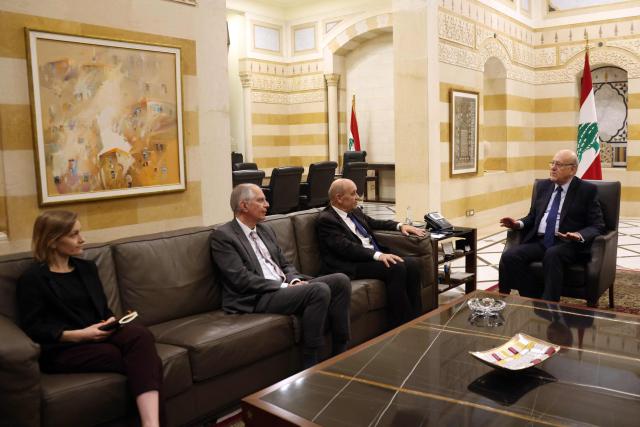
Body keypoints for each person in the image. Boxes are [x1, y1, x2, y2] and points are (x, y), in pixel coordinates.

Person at [17, 211, 163, 427]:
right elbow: (34, 328)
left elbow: (102, 309)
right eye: (74, 234)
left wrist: (111, 321)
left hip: (100, 334)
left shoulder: (87, 268)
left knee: (140, 335)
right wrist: (78, 335)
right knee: (145, 362)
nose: (82, 239)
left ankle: (151, 425)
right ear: (53, 240)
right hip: (63, 347)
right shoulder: (32, 279)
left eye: (80, 232)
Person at [210, 184, 351, 368]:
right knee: (318, 290)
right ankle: (310, 360)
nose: (267, 204)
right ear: (244, 206)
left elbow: (284, 264)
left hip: (283, 287)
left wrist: (294, 280)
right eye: (261, 200)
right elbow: (241, 279)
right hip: (257, 296)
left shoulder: (265, 230)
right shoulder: (223, 237)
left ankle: (342, 350)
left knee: (340, 280)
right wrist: (284, 287)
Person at [316, 178, 426, 327]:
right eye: (354, 193)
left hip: (368, 258)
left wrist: (400, 226)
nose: (358, 197)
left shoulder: (354, 211)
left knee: (412, 264)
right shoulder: (326, 220)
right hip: (350, 264)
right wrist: (378, 255)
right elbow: (345, 247)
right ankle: (400, 324)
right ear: (339, 198)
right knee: (396, 267)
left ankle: (417, 319)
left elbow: (374, 223)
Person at [499, 149, 605, 301]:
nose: (553, 168)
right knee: (510, 256)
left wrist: (579, 235)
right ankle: (535, 299)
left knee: (553, 254)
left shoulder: (587, 190)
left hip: (568, 244)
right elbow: (533, 216)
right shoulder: (543, 186)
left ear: (572, 169)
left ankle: (551, 305)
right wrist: (517, 224)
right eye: (552, 163)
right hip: (541, 241)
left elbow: (598, 225)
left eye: (559, 164)